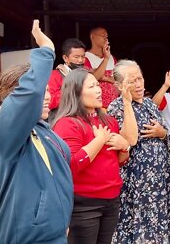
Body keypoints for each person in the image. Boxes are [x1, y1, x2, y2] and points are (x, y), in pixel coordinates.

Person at [0, 20, 73, 243]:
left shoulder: (42, 129)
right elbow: (28, 95)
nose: (47, 96)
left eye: (48, 91)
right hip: (27, 236)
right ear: (16, 97)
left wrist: (61, 219)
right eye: (40, 91)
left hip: (54, 232)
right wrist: (46, 50)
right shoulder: (5, 126)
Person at [52, 69, 133, 244]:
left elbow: (117, 161)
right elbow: (72, 165)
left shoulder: (108, 121)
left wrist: (124, 147)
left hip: (111, 199)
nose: (99, 90)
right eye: (92, 86)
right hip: (84, 204)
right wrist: (100, 140)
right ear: (76, 92)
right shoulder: (67, 124)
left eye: (98, 85)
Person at [108, 60, 170, 244]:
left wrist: (162, 133)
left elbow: (164, 134)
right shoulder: (116, 108)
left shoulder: (149, 104)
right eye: (132, 81)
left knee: (160, 222)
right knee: (136, 224)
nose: (139, 84)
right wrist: (127, 102)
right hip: (136, 181)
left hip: (159, 179)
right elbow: (129, 140)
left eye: (140, 78)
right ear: (119, 85)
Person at [47, 38, 86, 121]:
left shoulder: (86, 75)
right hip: (61, 121)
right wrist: (73, 86)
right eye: (76, 57)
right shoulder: (54, 75)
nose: (80, 60)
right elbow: (50, 101)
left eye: (83, 56)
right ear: (65, 58)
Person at [85, 27, 118, 108]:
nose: (106, 38)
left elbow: (119, 81)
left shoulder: (112, 58)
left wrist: (105, 78)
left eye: (107, 37)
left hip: (114, 105)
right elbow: (94, 78)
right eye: (103, 35)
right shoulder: (85, 57)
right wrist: (106, 58)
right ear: (92, 36)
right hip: (96, 106)